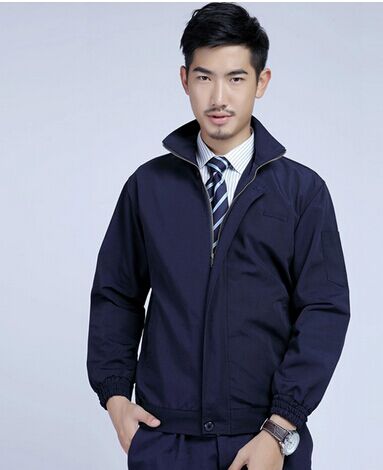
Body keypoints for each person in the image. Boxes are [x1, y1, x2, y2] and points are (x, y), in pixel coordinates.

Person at [86, 2, 351, 469]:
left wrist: (280, 428)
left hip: (262, 441)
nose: (219, 97)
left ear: (261, 82)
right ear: (185, 79)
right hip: (166, 439)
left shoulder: (301, 192)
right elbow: (116, 295)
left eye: (236, 78)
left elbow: (324, 311)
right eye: (205, 77)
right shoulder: (148, 187)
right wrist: (115, 397)